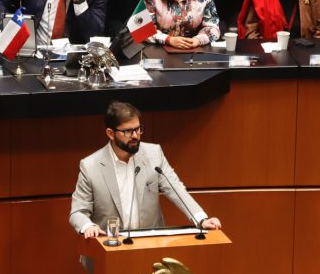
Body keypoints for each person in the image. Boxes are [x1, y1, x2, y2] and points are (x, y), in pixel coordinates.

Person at [69, 101, 222, 237]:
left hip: (148, 245)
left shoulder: (153, 154)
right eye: (128, 131)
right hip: (110, 246)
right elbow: (78, 212)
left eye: (138, 129)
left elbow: (176, 189)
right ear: (110, 133)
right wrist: (88, 226)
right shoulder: (90, 166)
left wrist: (201, 218)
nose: (135, 136)